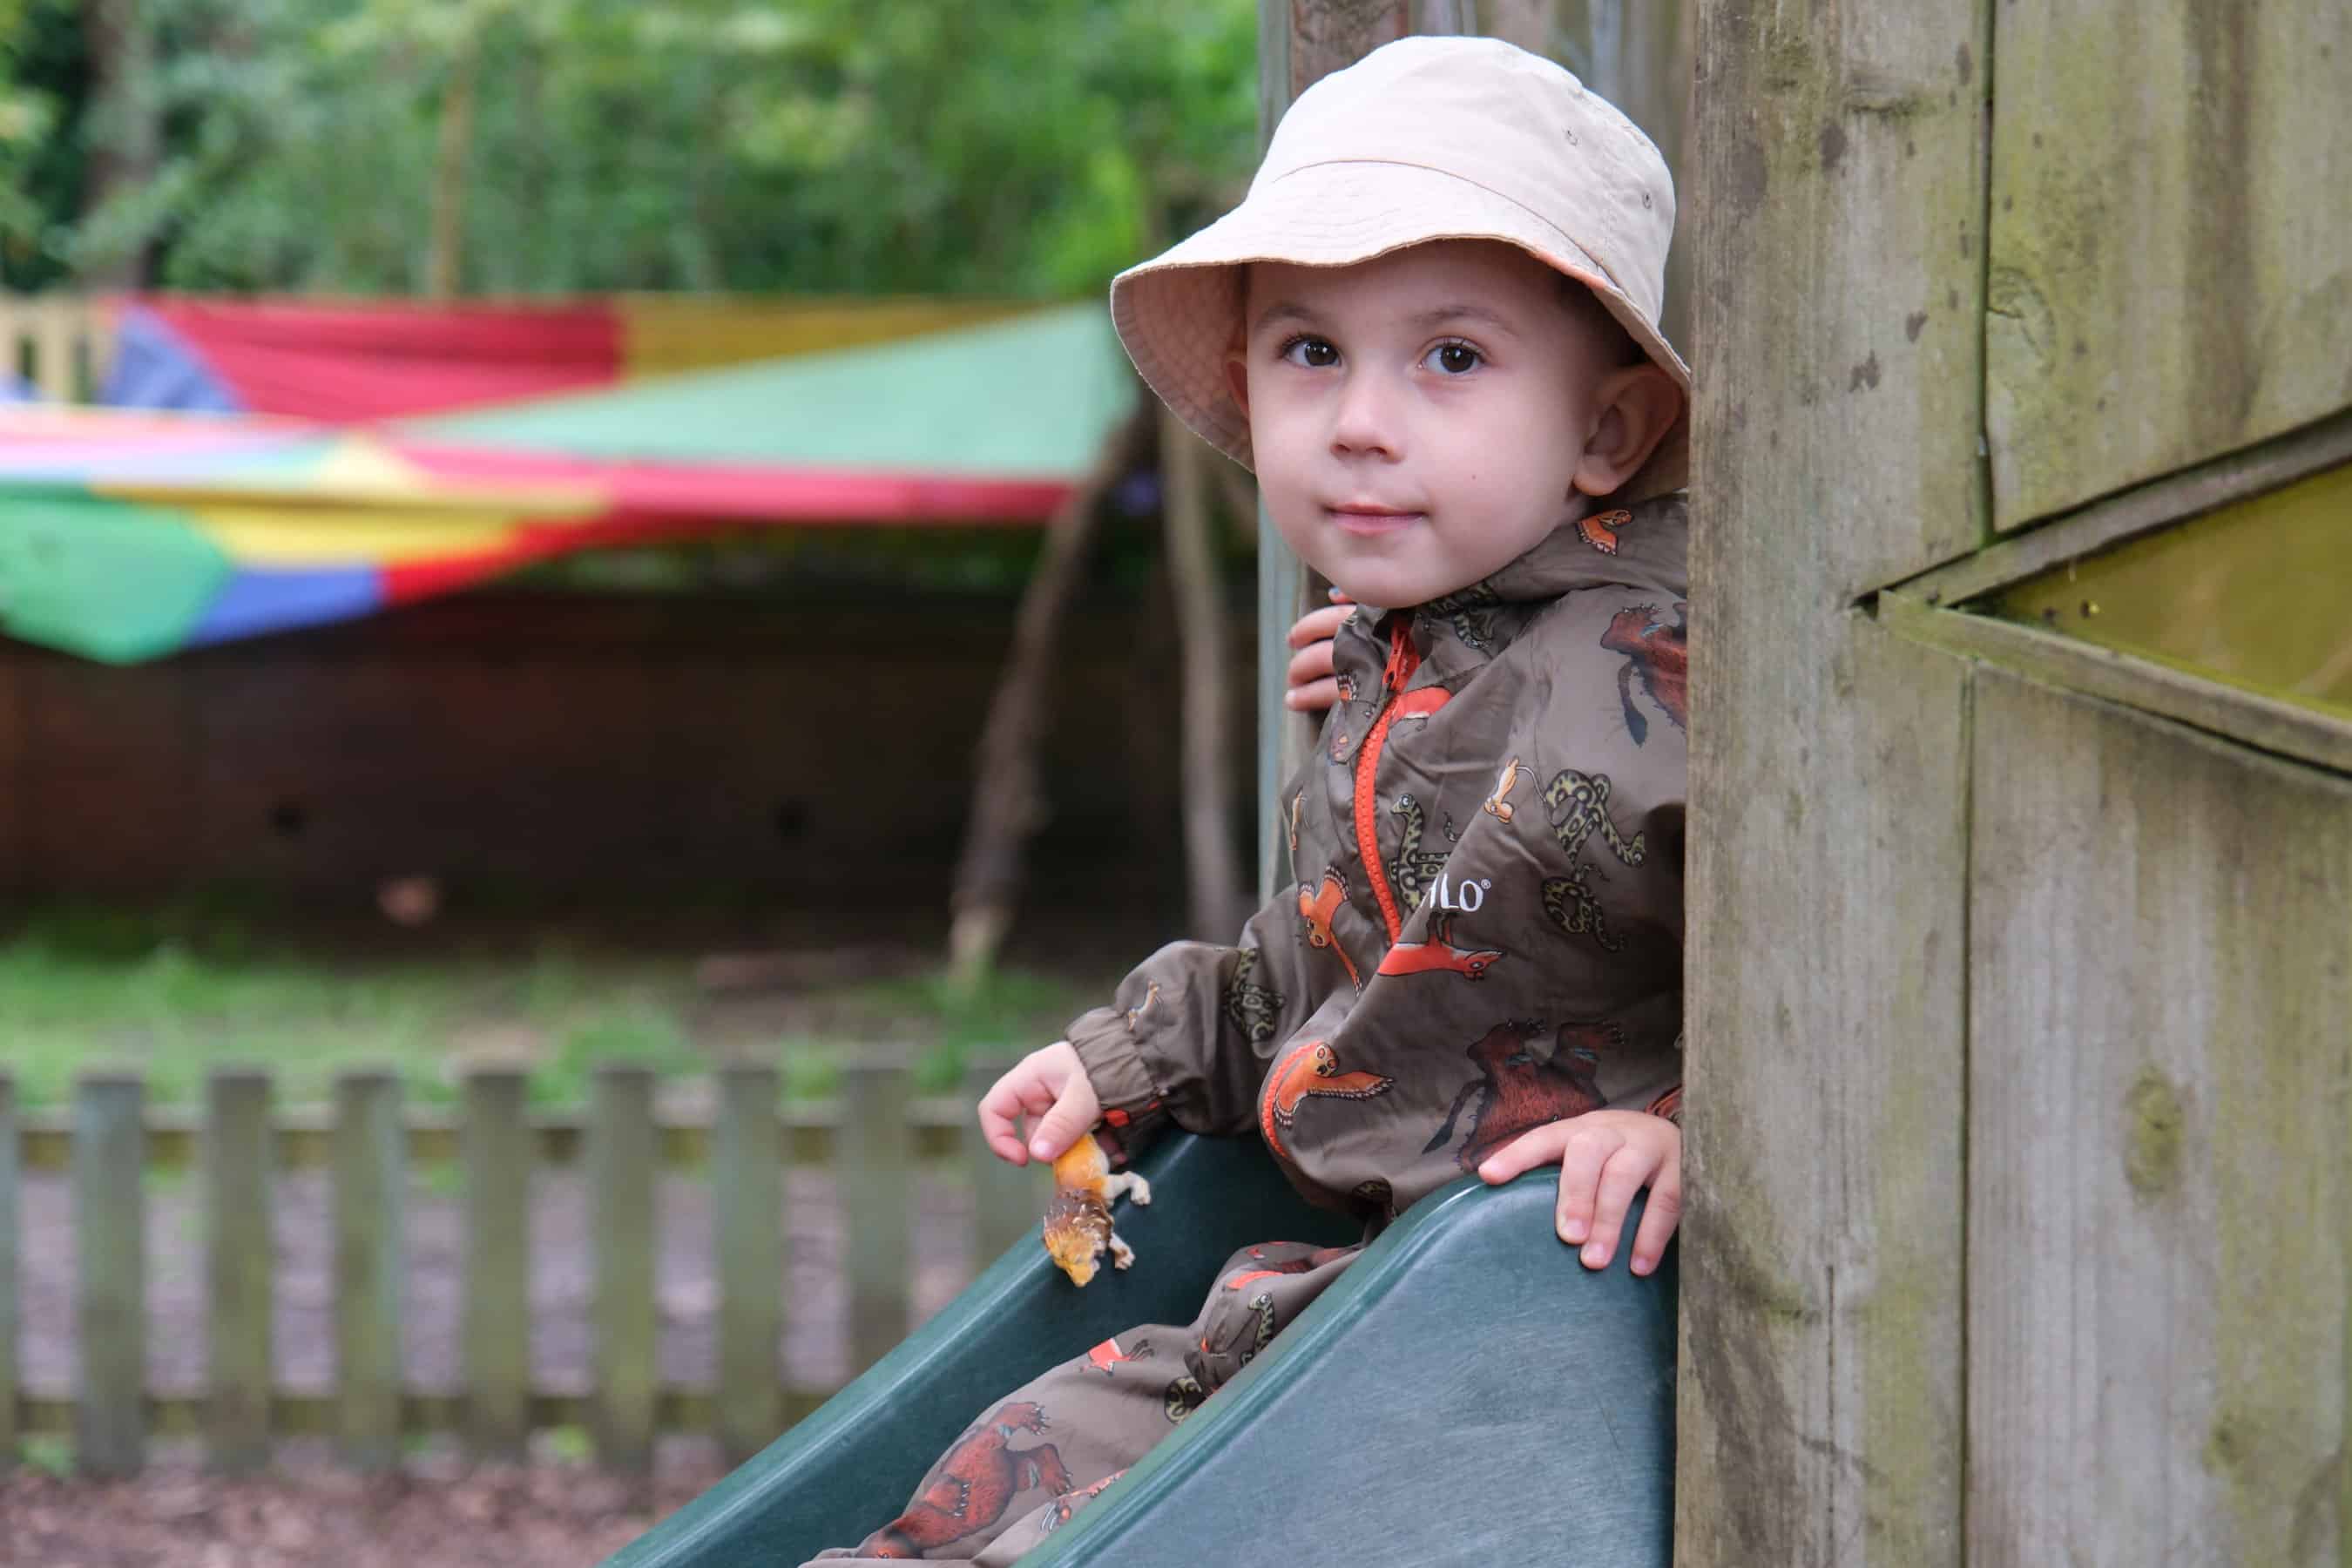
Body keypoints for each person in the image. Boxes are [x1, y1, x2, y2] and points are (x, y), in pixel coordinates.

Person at [812, 35, 1691, 1564]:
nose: (1359, 418)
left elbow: (1862, 994)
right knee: (1017, 1463)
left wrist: (1693, 1126)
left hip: (1525, 1337)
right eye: (1308, 352)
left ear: (1604, 432)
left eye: (1453, 359)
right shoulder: (1379, 675)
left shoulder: (1668, 685)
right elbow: (1337, 975)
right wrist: (1135, 1054)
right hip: (1336, 1294)